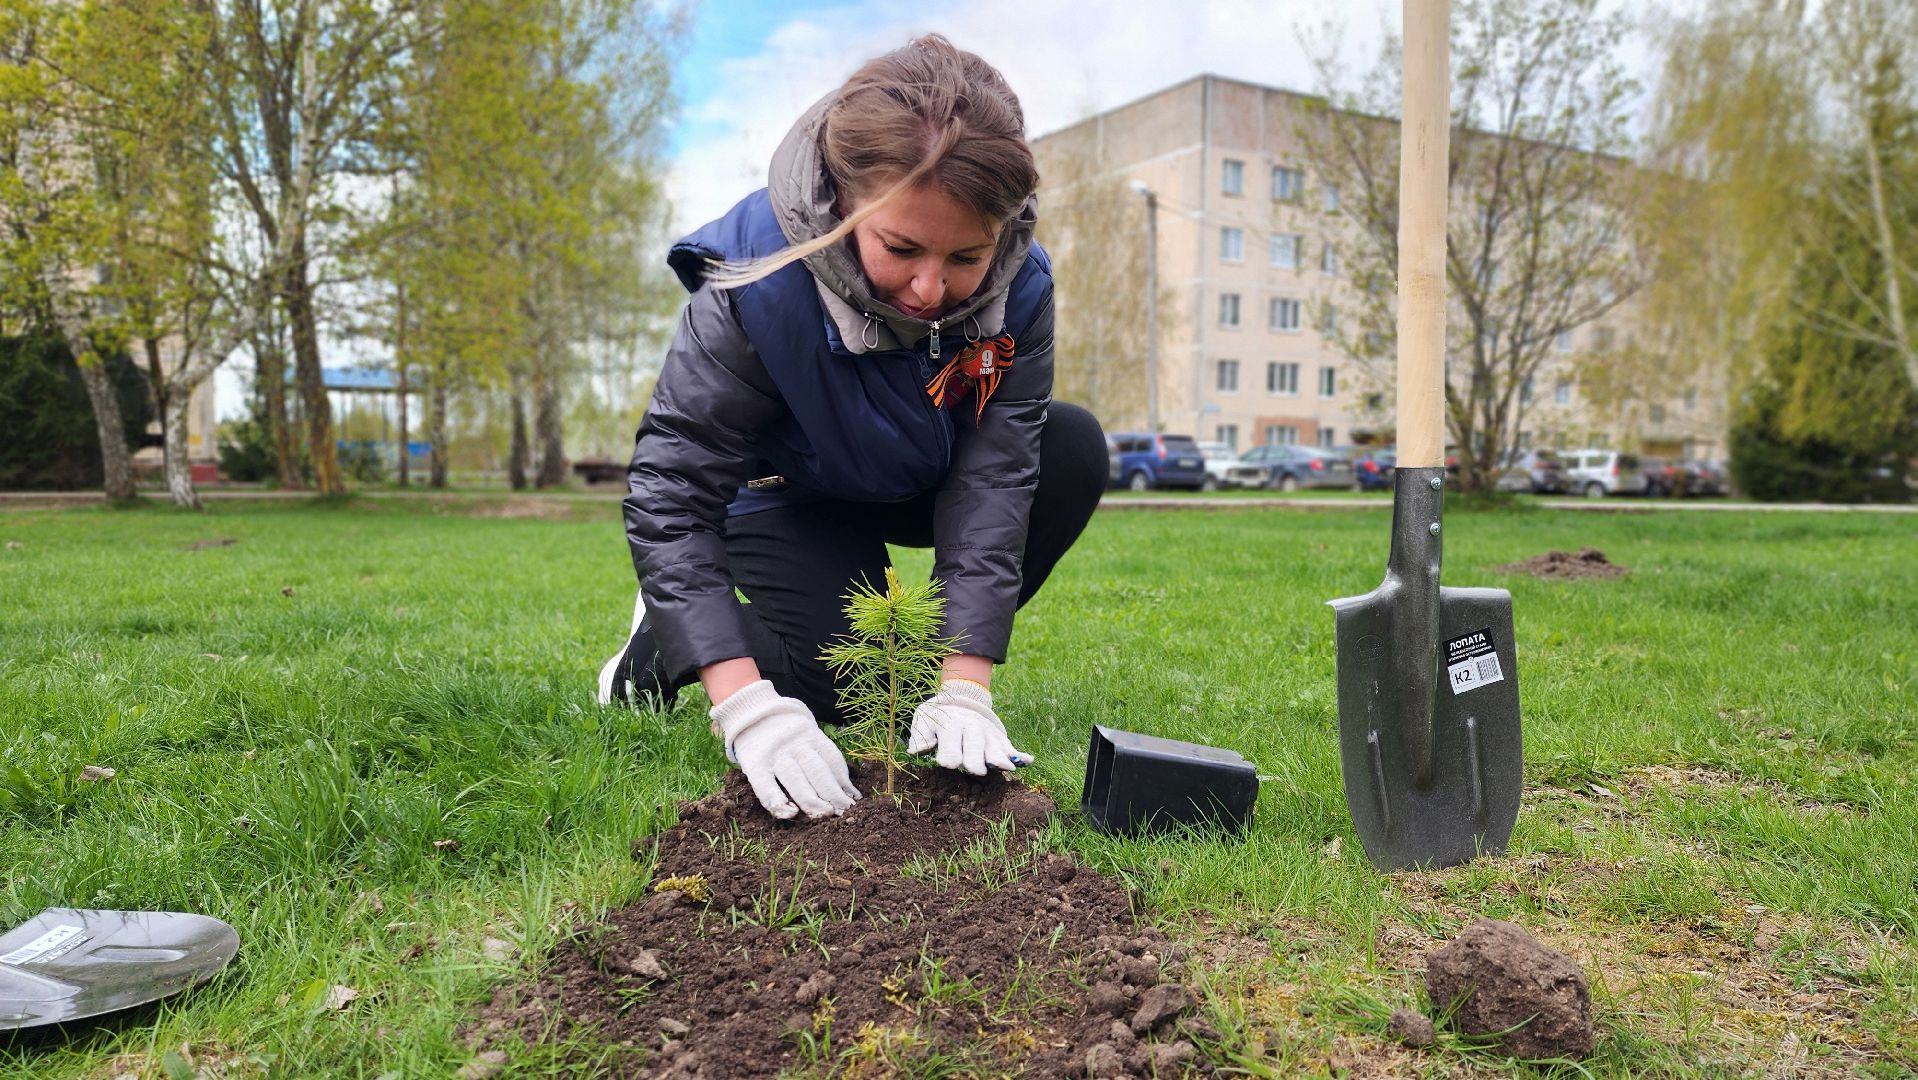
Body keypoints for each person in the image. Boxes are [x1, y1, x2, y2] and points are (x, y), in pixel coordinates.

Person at [600, 34, 1107, 822]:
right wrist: (744, 705)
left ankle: (925, 685)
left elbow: (995, 478)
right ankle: (663, 643)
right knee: (848, 690)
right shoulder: (753, 282)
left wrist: (965, 682)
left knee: (1068, 447)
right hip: (787, 491)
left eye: (965, 256)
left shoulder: (1021, 287)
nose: (930, 288)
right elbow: (671, 494)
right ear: (842, 204)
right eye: (900, 248)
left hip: (914, 471)